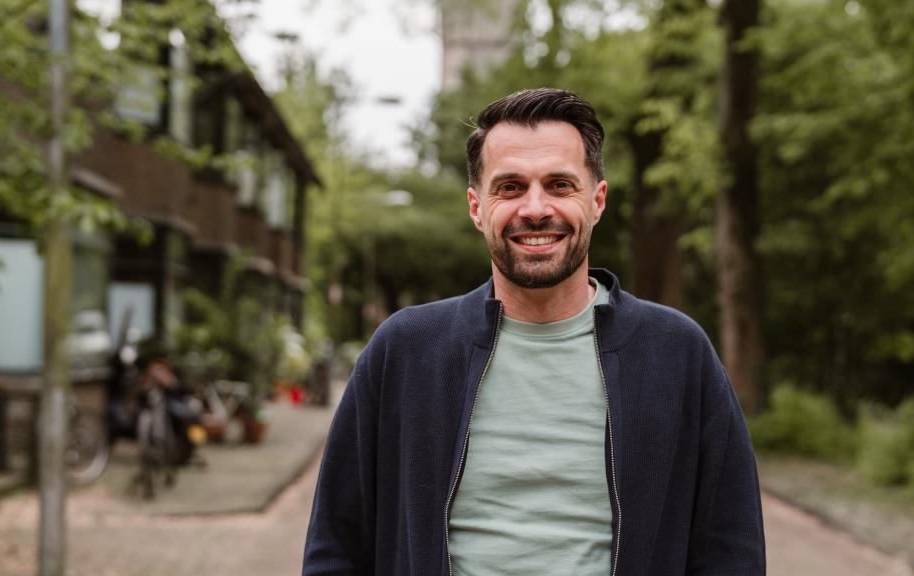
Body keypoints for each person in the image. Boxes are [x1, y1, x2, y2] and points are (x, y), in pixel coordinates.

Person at [303, 88, 765, 575]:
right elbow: (337, 542)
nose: (536, 208)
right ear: (477, 207)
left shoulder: (676, 352)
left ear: (597, 200)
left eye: (561, 185)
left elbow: (729, 547)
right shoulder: (405, 350)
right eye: (510, 187)